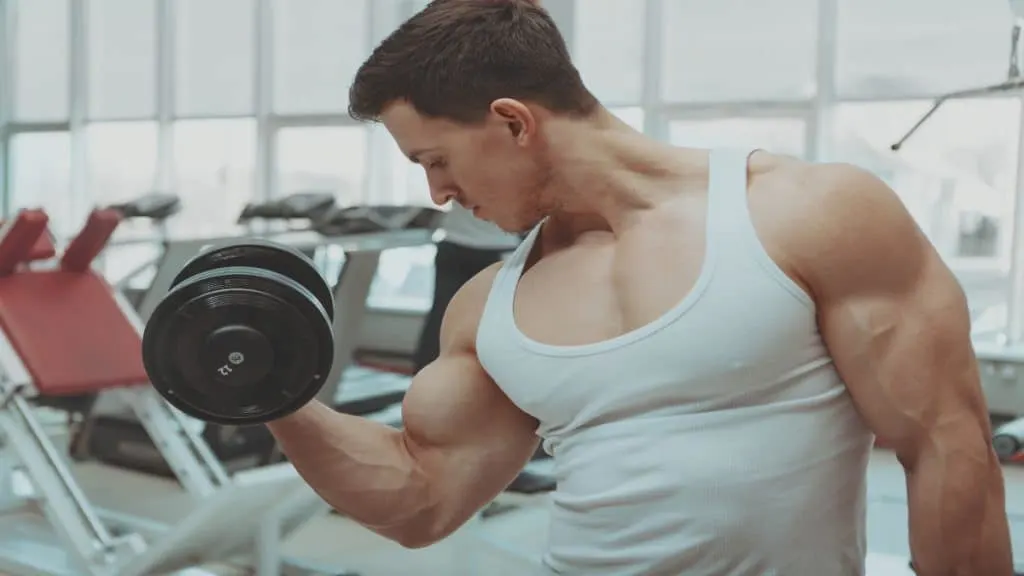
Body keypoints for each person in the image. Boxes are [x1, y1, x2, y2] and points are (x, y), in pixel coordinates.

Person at [266, 1, 1014, 574]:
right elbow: (420, 501)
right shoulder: (489, 305)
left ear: (513, 122)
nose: (436, 193)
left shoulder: (806, 214)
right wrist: (273, 396)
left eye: (436, 159)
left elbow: (949, 447)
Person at [413, 202, 520, 372]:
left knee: (442, 320)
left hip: (456, 241)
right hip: (494, 246)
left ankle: (424, 381)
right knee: (496, 327)